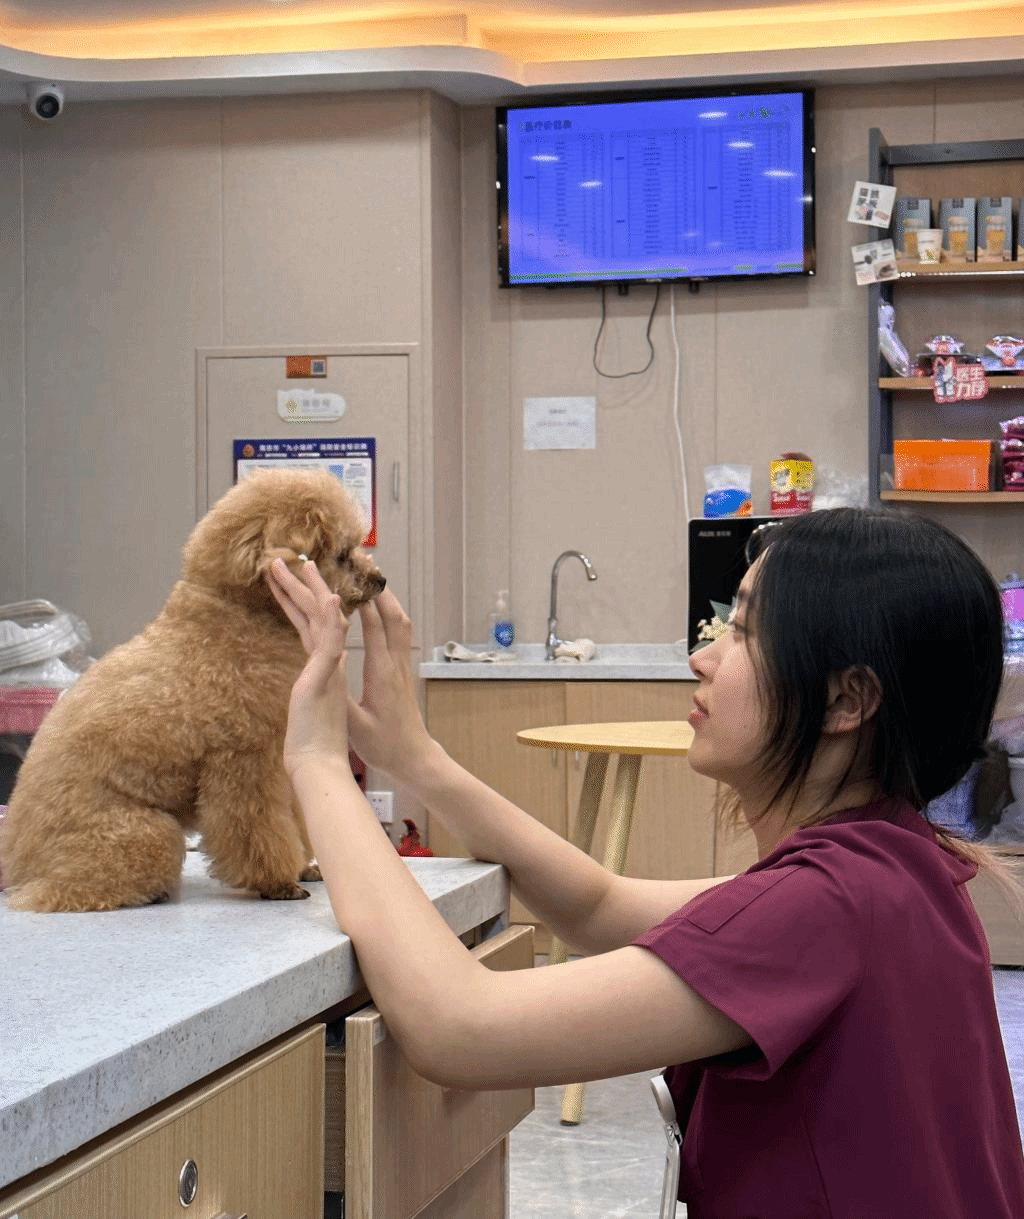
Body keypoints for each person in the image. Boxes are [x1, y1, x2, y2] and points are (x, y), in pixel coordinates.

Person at [267, 506, 1024, 1219]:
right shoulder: (894, 868)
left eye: (743, 633)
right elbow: (601, 907)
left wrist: (317, 760)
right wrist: (416, 759)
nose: (702, 658)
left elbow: (458, 1026)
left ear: (844, 700)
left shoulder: (829, 905)